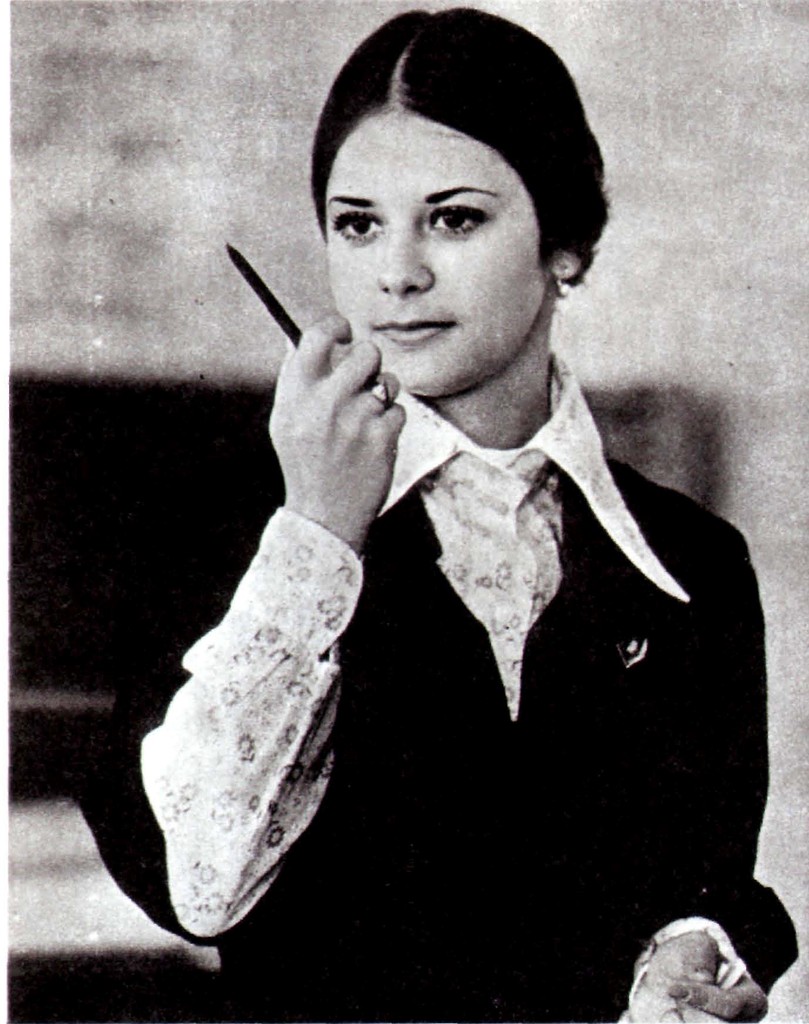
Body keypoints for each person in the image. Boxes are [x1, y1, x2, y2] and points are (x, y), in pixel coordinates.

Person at [82, 8, 797, 1022]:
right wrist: (317, 536)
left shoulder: (693, 562)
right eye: (357, 223)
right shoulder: (228, 525)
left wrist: (691, 946)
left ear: (566, 243)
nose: (397, 272)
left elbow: (705, 873)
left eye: (453, 220)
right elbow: (193, 889)